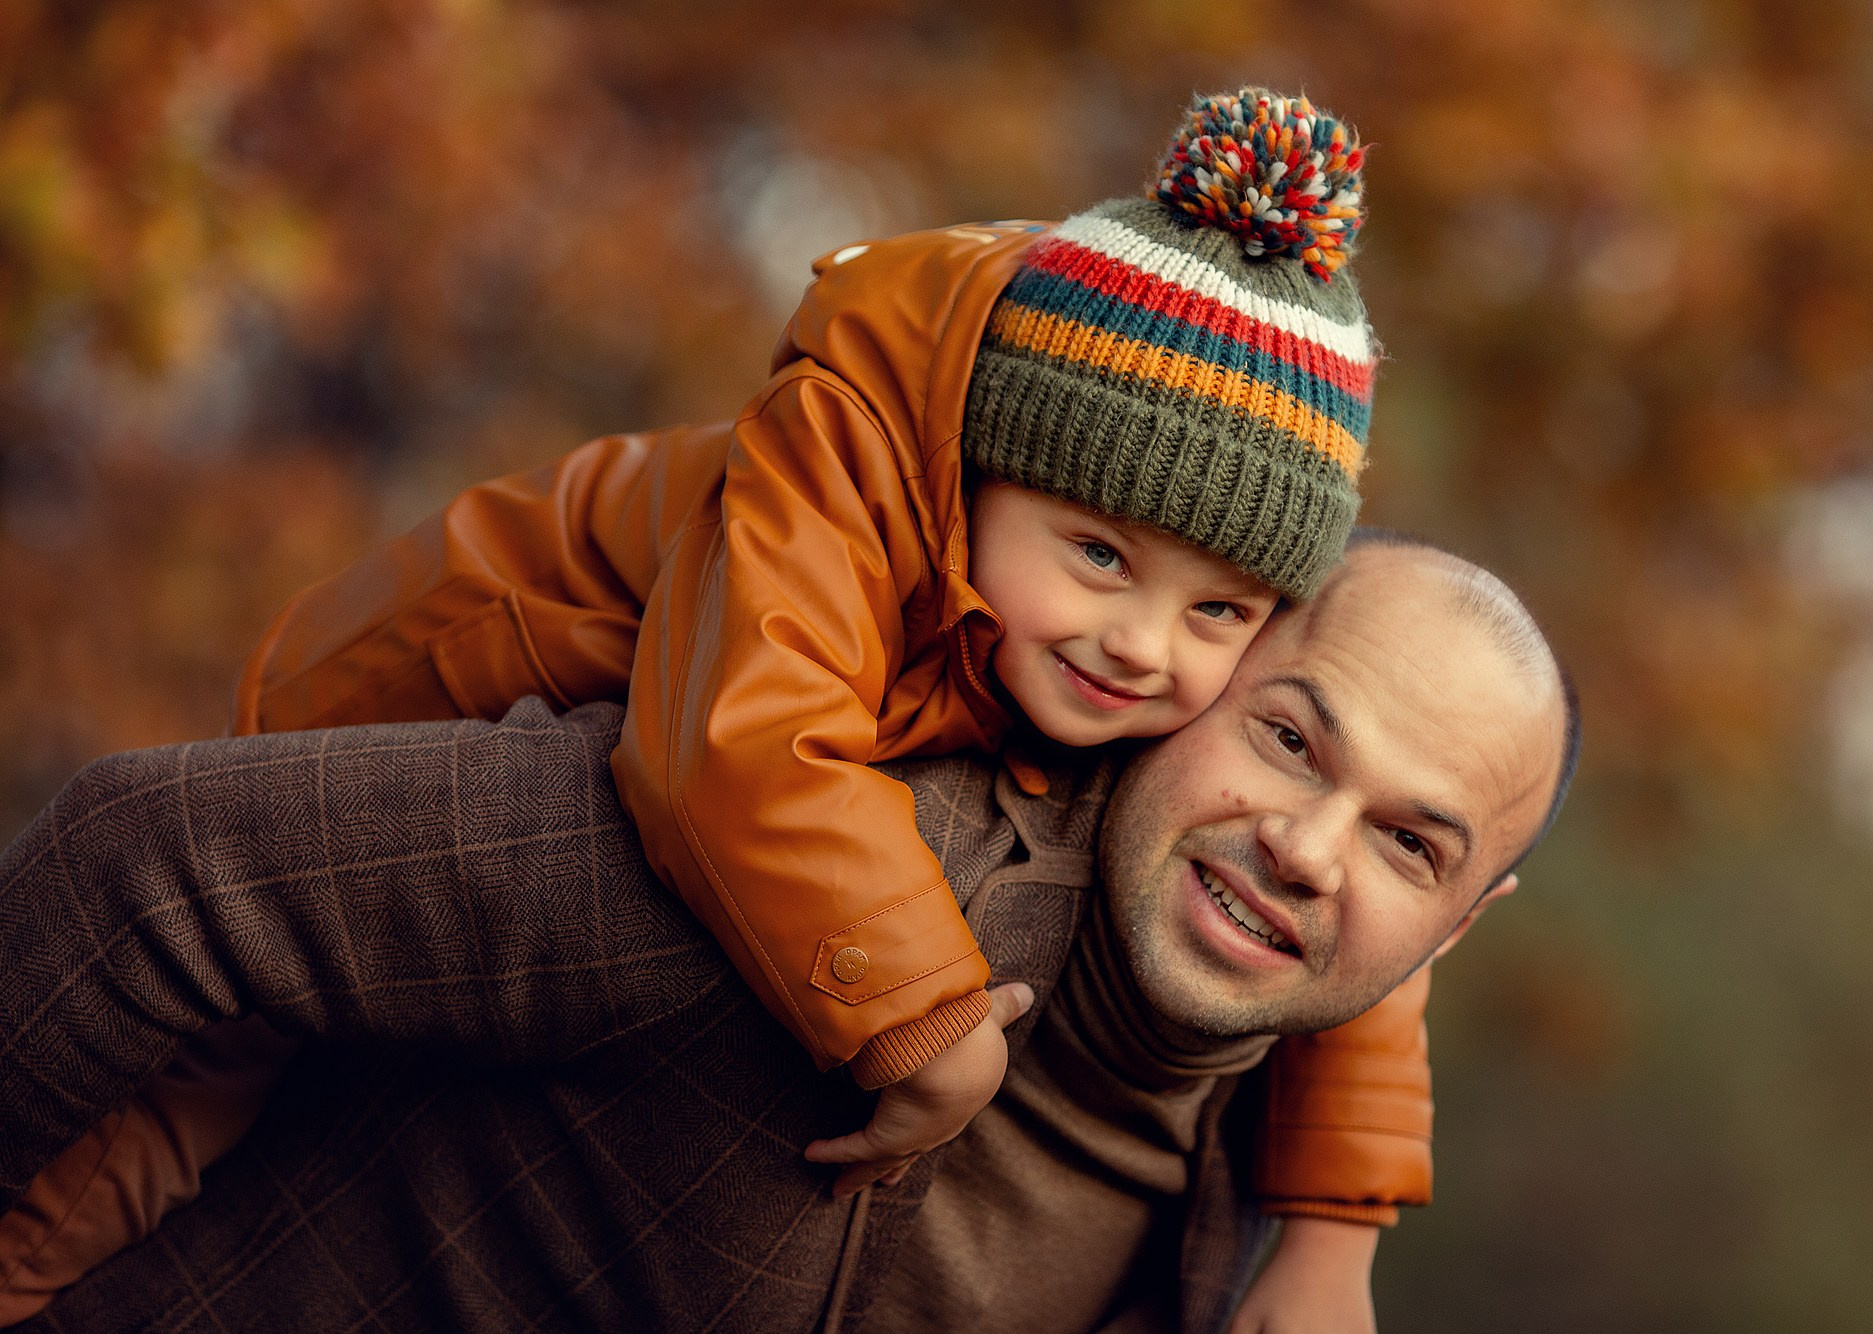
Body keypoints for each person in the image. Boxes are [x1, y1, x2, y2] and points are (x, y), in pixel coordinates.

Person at [0, 86, 1431, 1323]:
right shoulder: (844, 476)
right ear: (978, 474)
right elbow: (740, 742)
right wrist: (930, 1023)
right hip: (435, 699)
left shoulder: (1159, 651)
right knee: (167, 1123)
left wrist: (1334, 1223)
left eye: (1217, 614)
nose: (1143, 645)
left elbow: (1381, 810)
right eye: (1100, 558)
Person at [0, 536, 1576, 1332]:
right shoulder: (826, 869)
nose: (1306, 847)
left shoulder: (1256, 1210)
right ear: (1206, 685)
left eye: (1408, 840)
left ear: (1455, 924)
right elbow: (148, 862)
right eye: (1292, 742)